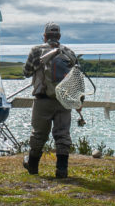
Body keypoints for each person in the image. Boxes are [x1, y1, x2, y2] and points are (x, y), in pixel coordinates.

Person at [22, 22, 77, 178]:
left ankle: (32, 166)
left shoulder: (36, 51)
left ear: (45, 36)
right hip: (64, 100)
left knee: (39, 134)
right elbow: (75, 78)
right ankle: (62, 169)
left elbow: (26, 72)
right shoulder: (69, 53)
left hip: (43, 99)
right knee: (62, 134)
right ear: (59, 36)